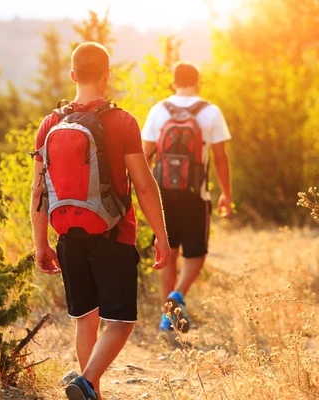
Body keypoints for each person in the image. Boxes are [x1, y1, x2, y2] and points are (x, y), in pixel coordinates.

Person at [30, 42, 171, 400]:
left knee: (85, 318)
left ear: (73, 75)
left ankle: (92, 389)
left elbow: (37, 191)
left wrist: (41, 244)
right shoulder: (122, 121)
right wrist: (161, 236)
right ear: (107, 77)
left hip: (68, 235)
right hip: (114, 233)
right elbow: (143, 185)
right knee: (121, 321)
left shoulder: (49, 123)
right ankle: (88, 381)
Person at [141, 61, 232, 333]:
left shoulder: (159, 110)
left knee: (166, 251)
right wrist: (226, 194)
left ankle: (166, 317)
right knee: (197, 253)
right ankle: (177, 295)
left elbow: (144, 155)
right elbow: (220, 158)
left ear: (173, 82)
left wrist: (141, 194)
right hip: (196, 194)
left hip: (162, 194)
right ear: (198, 81)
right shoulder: (211, 112)